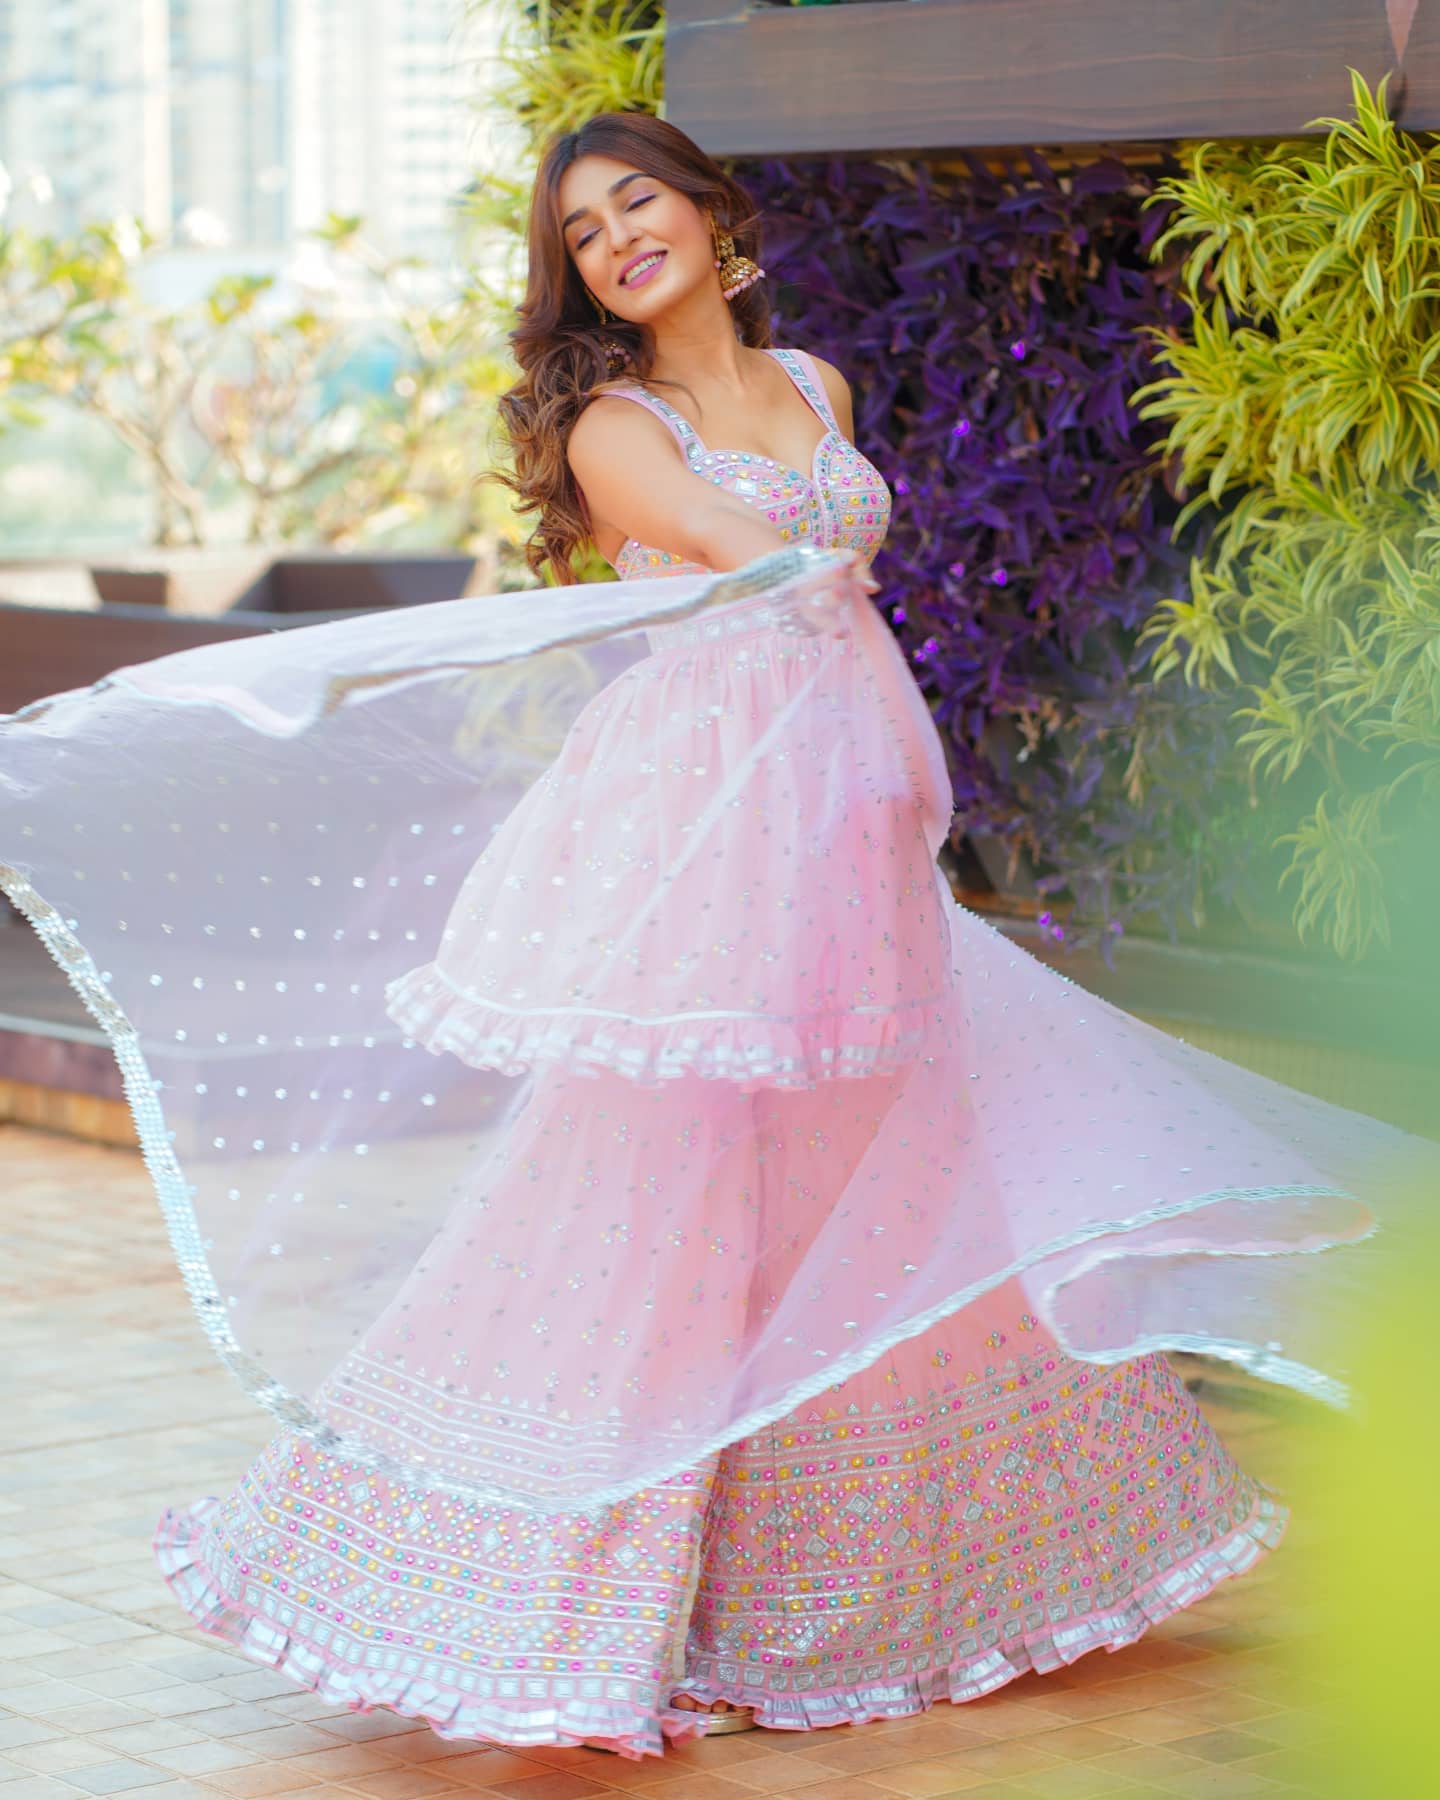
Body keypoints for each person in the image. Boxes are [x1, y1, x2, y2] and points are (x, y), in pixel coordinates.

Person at [0, 113, 1420, 1763]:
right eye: (585, 233)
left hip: (846, 821)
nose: (618, 240)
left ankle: (887, 1587)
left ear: (708, 211)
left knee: (877, 1182)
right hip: (709, 824)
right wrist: (817, 595)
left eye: (638, 203)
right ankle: (573, 1602)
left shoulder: (816, 383)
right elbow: (776, 565)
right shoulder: (619, 428)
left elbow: (843, 603)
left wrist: (895, 789)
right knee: (661, 1201)